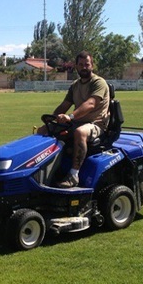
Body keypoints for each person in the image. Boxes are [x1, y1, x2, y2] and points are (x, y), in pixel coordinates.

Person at [38, 50, 110, 188]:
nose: (84, 67)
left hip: (96, 124)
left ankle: (73, 175)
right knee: (43, 130)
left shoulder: (99, 83)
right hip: (77, 122)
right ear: (76, 66)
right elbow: (64, 105)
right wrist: (52, 120)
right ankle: (41, 169)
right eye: (81, 64)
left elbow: (91, 104)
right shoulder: (75, 85)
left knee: (80, 132)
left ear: (92, 66)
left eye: (87, 64)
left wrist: (70, 116)